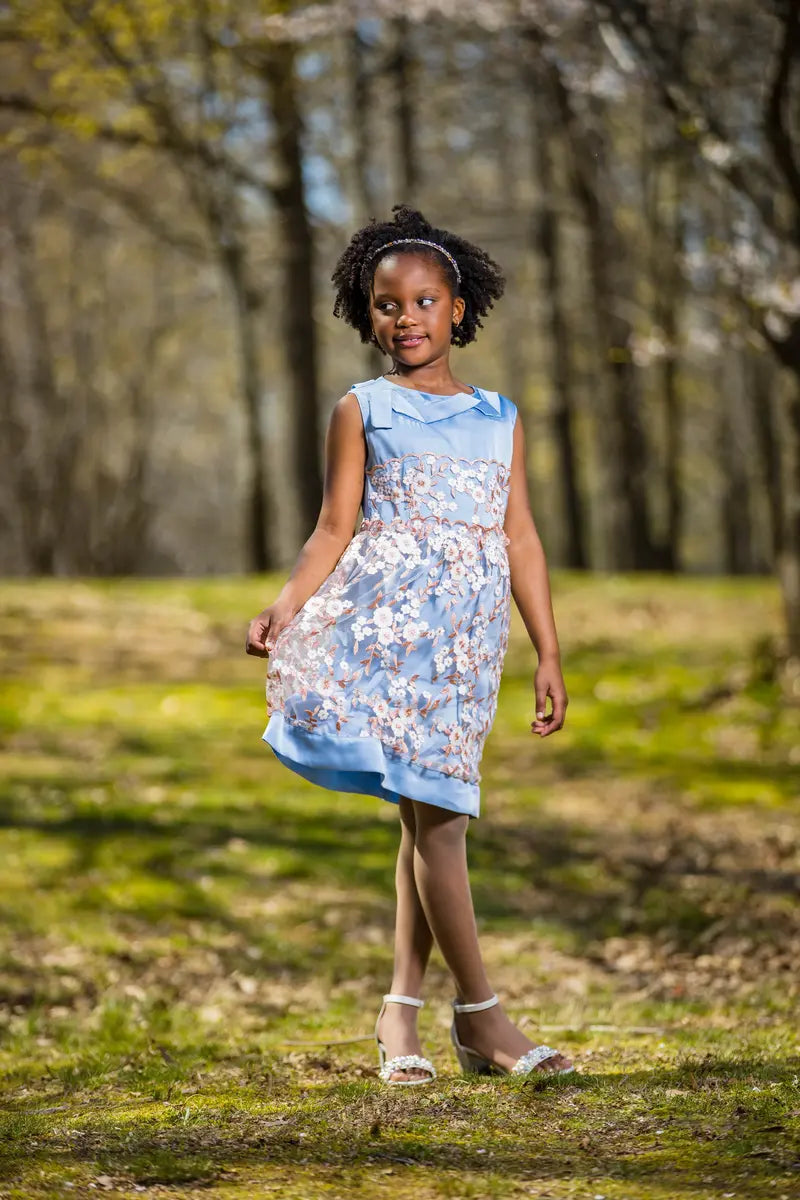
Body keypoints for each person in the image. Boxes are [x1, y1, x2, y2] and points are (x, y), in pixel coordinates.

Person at [246, 204, 573, 1085]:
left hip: (467, 646)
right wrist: (284, 608)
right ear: (368, 316)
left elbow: (522, 539)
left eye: (426, 301)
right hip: (391, 636)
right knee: (440, 821)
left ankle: (400, 1015)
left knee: (429, 821)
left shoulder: (501, 415)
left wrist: (546, 651)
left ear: (457, 308)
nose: (409, 319)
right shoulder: (363, 408)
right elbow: (332, 526)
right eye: (389, 306)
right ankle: (484, 1018)